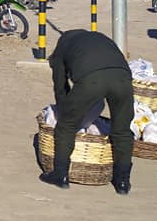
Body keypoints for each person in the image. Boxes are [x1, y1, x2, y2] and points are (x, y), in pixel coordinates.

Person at [41, 29, 134, 194]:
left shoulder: (62, 47)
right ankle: (123, 182)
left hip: (92, 80)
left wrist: (66, 112)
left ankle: (60, 175)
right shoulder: (99, 37)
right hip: (123, 79)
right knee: (122, 131)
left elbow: (60, 88)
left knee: (66, 125)